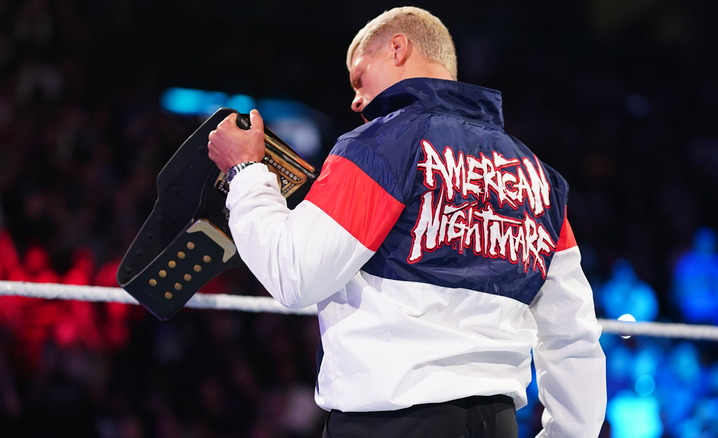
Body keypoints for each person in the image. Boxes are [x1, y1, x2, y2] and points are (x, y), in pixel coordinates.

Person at [207, 6, 606, 437]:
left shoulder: (383, 144)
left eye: (359, 77)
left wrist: (244, 173)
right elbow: (573, 336)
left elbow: (294, 275)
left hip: (390, 423)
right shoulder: (539, 178)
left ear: (398, 47)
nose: (356, 100)